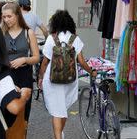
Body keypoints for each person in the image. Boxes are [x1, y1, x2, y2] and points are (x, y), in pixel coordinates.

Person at [38, 10, 96, 139]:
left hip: (52, 79)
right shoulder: (75, 39)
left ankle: (58, 136)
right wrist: (91, 71)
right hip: (70, 80)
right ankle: (59, 135)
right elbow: (81, 61)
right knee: (62, 109)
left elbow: (45, 62)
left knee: (56, 111)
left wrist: (41, 77)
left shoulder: (51, 38)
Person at [1, 2, 40, 125]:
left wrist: (24, 59)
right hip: (6, 75)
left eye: (9, 16)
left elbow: (36, 57)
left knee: (23, 114)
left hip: (24, 75)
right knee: (5, 112)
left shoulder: (28, 33)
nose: (6, 20)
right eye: (4, 17)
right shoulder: (1, 33)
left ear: (17, 15)